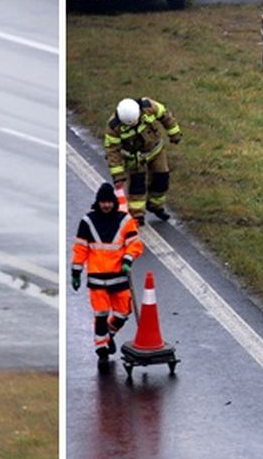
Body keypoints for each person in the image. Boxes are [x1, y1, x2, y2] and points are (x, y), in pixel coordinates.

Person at [71, 183, 144, 363]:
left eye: (109, 202)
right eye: (102, 202)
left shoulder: (125, 220)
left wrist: (128, 259)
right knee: (101, 314)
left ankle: (109, 335)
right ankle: (101, 349)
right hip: (97, 277)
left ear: (113, 202)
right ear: (98, 202)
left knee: (123, 312)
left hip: (118, 275)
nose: (106, 205)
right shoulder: (87, 221)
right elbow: (80, 249)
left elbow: (135, 244)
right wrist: (76, 272)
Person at [104, 97, 182, 223]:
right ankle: (137, 215)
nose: (134, 124)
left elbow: (166, 116)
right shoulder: (114, 127)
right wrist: (118, 175)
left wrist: (175, 134)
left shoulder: (149, 106)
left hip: (155, 151)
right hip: (134, 158)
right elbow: (112, 151)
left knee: (162, 178)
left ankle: (155, 205)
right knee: (137, 185)